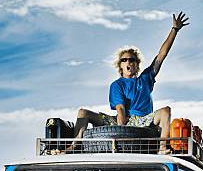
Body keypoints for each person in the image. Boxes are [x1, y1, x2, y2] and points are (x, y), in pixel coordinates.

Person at [74, 12, 190, 154]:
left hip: (142, 121)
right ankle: (75, 146)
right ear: (120, 65)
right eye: (124, 60)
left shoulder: (146, 78)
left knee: (166, 111)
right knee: (83, 113)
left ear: (137, 64)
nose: (128, 62)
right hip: (120, 121)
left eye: (132, 60)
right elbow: (120, 110)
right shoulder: (117, 85)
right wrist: (121, 133)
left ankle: (162, 147)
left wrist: (174, 30)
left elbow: (161, 56)